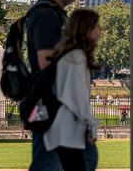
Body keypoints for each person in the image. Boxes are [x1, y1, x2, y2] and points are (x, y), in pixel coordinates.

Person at [25, 0, 89, 171]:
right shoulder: (46, 15)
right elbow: (46, 60)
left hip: (59, 107)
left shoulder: (56, 14)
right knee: (50, 165)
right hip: (53, 108)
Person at [43, 9, 101, 171]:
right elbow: (77, 97)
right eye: (97, 26)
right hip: (69, 130)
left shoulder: (69, 54)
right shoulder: (77, 57)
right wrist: (92, 123)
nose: (100, 30)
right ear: (86, 29)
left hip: (65, 130)